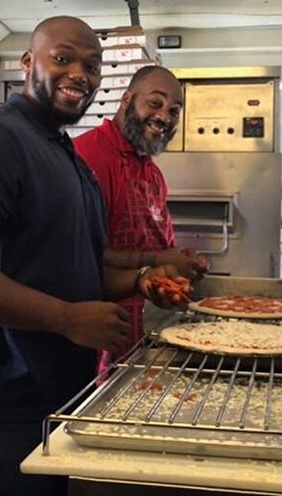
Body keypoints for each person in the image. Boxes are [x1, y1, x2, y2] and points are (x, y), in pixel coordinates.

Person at [0, 16, 189, 496]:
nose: (80, 73)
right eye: (63, 59)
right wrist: (66, 319)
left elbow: (82, 270)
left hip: (50, 400)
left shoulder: (68, 161)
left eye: (92, 65)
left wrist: (142, 280)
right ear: (27, 63)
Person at [74, 65, 207, 368]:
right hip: (98, 341)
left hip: (147, 335)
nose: (164, 117)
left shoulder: (152, 172)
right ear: (126, 99)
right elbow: (82, 259)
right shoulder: (89, 157)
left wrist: (181, 263)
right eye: (155, 103)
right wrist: (162, 261)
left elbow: (156, 248)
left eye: (175, 111)